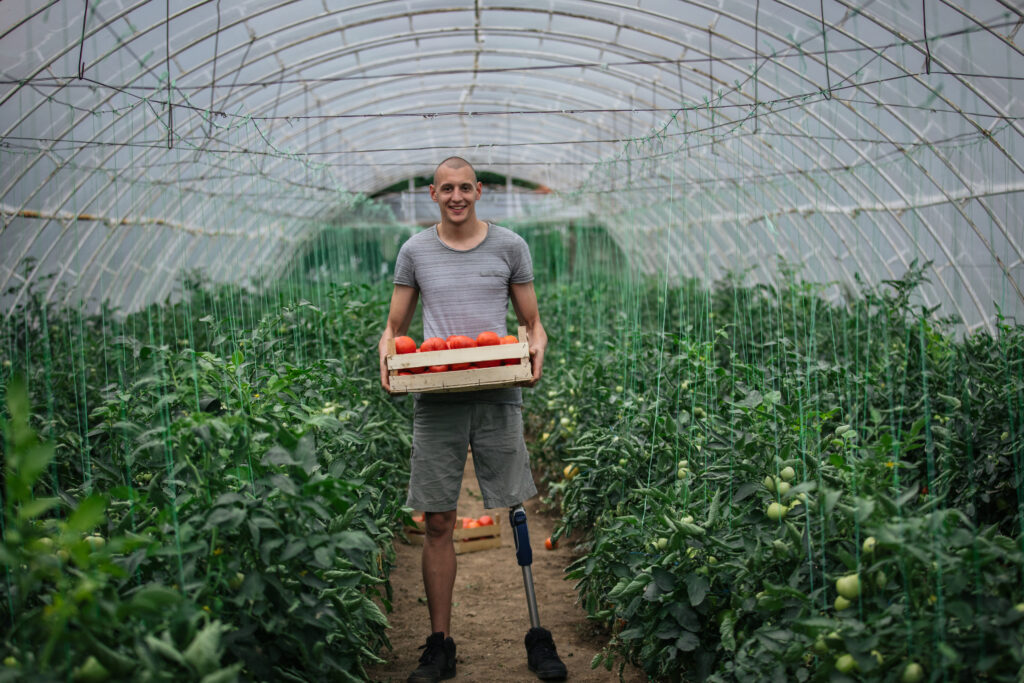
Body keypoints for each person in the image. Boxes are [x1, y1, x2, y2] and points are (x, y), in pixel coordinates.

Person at [378, 156, 568, 682]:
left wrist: (537, 350)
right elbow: (394, 325)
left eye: (465, 187)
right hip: (435, 394)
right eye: (447, 189)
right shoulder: (415, 250)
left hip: (498, 391)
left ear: (479, 191)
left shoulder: (510, 246)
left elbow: (533, 323)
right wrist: (386, 354)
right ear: (432, 194)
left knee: (515, 506)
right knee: (437, 520)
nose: (457, 196)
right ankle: (439, 644)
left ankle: (537, 634)